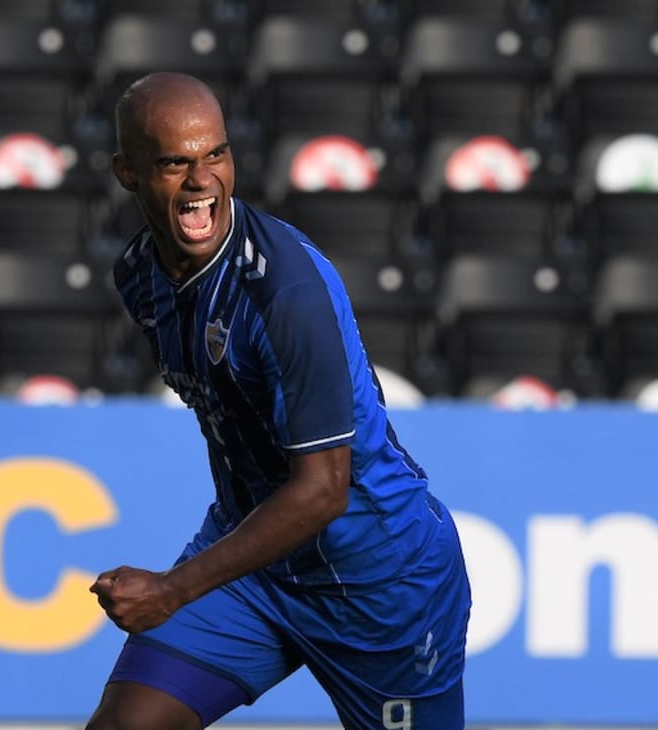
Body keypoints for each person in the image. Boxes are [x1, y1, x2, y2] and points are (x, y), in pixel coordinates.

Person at [88, 72, 471, 729]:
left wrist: (172, 590)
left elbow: (323, 491)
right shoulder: (139, 276)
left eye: (215, 155)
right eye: (175, 163)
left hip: (377, 581)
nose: (202, 179)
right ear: (128, 173)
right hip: (255, 567)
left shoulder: (285, 294)